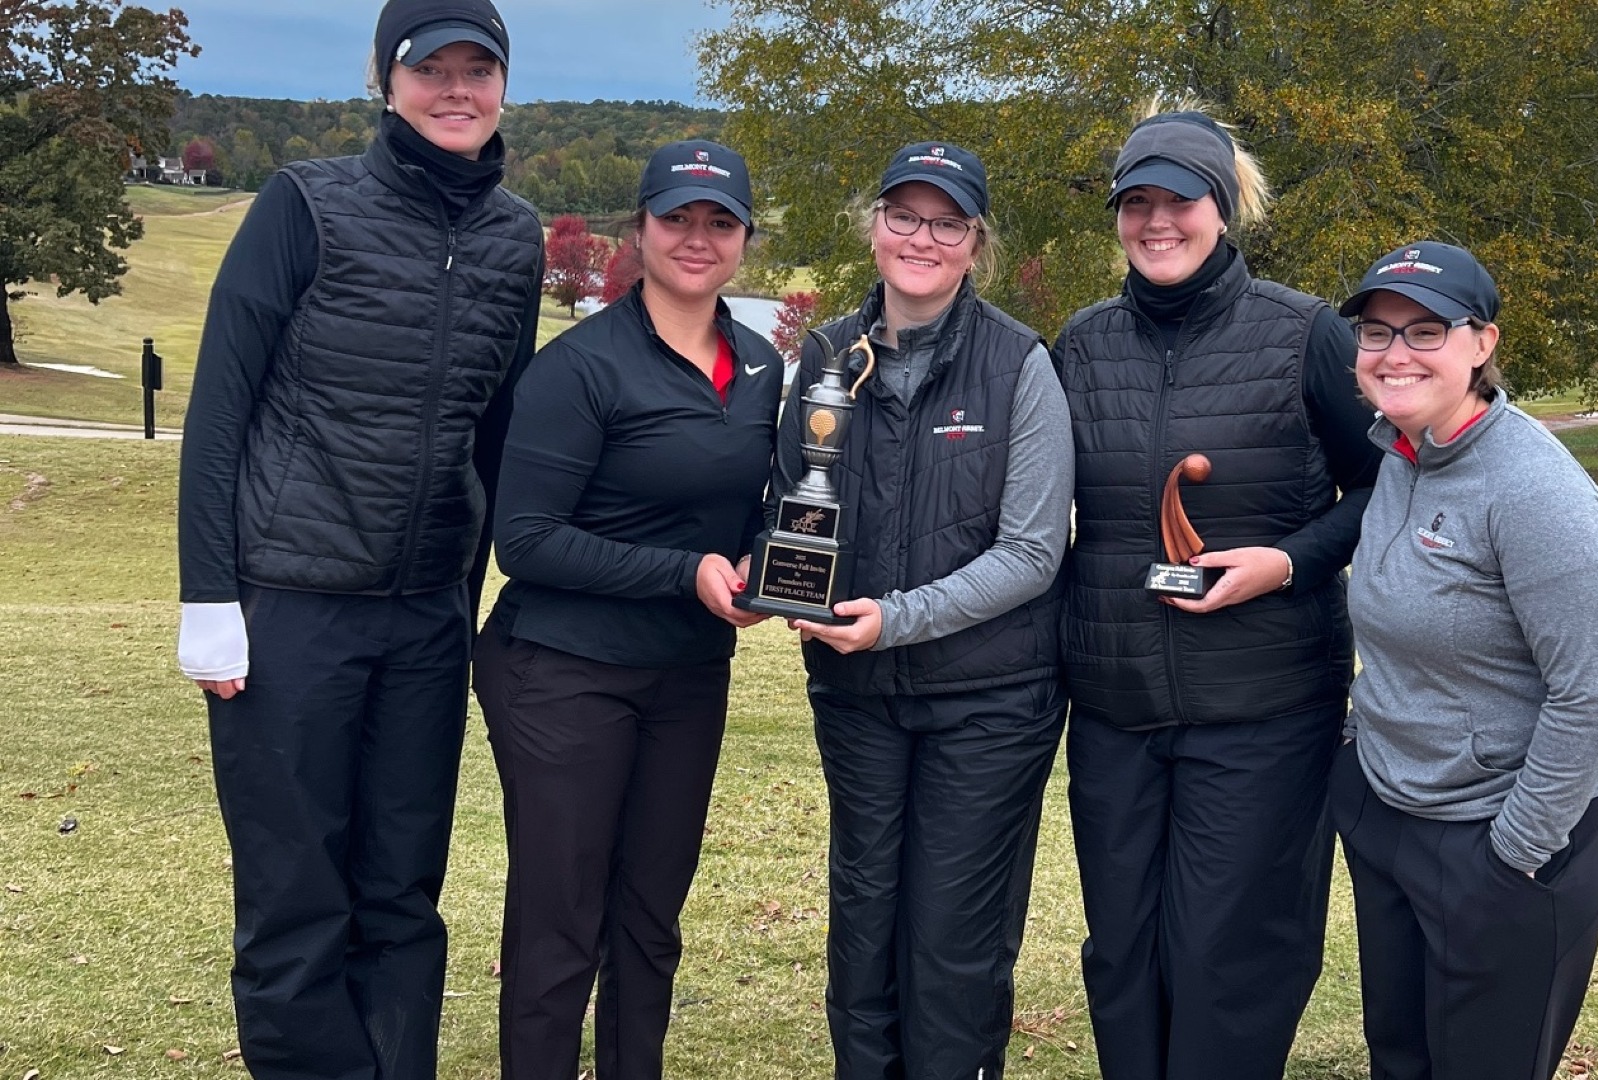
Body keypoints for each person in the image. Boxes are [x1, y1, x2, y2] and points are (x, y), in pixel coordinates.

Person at [172, 2, 543, 1077]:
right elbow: (219, 413)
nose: (457, 89)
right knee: (296, 895)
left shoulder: (515, 237)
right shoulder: (304, 205)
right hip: (288, 604)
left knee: (400, 893)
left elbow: (499, 433)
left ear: (504, 88)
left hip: (425, 614)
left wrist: (478, 599)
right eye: (434, 69)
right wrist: (209, 599)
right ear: (388, 80)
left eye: (481, 70)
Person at [1052, 103, 1382, 1080]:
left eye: (1179, 201)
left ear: (1223, 209)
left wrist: (1283, 561)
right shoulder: (1081, 343)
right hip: (1112, 711)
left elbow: (1383, 486)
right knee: (1121, 954)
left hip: (1261, 710)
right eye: (1135, 202)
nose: (1156, 221)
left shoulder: (1305, 333)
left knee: (1226, 956)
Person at [470, 140, 780, 1080]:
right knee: (562, 918)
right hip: (562, 672)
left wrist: (772, 567)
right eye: (675, 218)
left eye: (718, 222)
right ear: (636, 230)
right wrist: (684, 573)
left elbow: (768, 510)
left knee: (649, 916)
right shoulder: (580, 368)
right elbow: (523, 539)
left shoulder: (765, 367)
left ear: (744, 239)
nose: (696, 238)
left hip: (686, 676)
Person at [772, 141, 1074, 1080]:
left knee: (951, 939)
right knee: (863, 924)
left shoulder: (1020, 363)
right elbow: (789, 506)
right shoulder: (823, 357)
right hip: (857, 698)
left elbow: (1031, 552)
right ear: (873, 227)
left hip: (988, 704)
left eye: (946, 223)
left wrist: (894, 619)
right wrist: (780, 586)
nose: (921, 238)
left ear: (974, 244)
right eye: (903, 216)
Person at [1332, 241, 1598, 1080]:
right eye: (1376, 332)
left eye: (1425, 331)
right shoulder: (1401, 452)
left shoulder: (1532, 489)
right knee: (1400, 1054)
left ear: (1482, 344)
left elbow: (1595, 691)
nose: (1394, 354)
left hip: (1501, 838)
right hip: (1392, 811)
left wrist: (1514, 853)